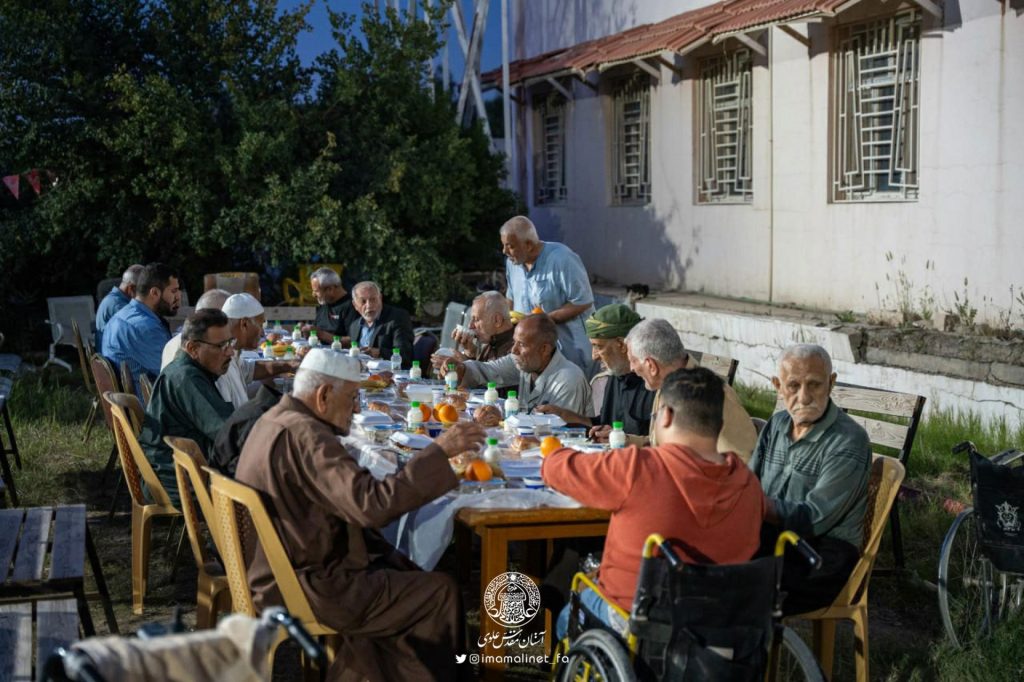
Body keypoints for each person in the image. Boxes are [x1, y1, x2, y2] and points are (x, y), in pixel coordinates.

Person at [234, 349, 486, 681]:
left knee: (396, 567)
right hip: (310, 583)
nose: (356, 409)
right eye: (352, 398)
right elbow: (372, 505)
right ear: (323, 395)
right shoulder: (309, 437)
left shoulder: (275, 418)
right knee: (439, 592)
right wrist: (437, 453)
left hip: (279, 570)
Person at [543, 367, 765, 638]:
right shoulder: (748, 485)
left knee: (566, 618)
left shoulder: (639, 468)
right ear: (718, 422)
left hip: (635, 616)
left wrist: (552, 451)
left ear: (667, 416)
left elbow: (558, 469)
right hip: (718, 623)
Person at [749, 344, 871, 615]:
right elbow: (748, 483)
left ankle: (746, 653)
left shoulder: (848, 440)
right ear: (778, 386)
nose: (803, 397)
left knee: (737, 586)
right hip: (777, 541)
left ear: (831, 383)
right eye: (793, 385)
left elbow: (815, 518)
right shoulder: (777, 424)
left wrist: (756, 506)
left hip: (821, 556)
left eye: (814, 384)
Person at [138, 310, 235, 506]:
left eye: (230, 343)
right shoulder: (187, 378)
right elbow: (228, 434)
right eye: (221, 346)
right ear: (192, 348)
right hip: (178, 479)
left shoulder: (188, 371)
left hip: (177, 470)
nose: (230, 352)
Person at [625, 319, 758, 461]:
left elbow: (743, 459)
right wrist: (624, 440)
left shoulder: (711, 394)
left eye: (633, 360)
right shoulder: (668, 385)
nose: (632, 368)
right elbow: (661, 446)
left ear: (651, 366)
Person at [534, 303, 654, 437]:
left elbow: (661, 445)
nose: (594, 356)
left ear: (621, 344)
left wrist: (625, 440)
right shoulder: (616, 376)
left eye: (598, 347)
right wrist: (563, 415)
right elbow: (603, 424)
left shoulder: (653, 383)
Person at [501, 216, 595, 370]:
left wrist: (541, 321)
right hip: (534, 355)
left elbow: (583, 301)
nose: (504, 251)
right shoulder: (513, 263)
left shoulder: (563, 259)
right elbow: (510, 299)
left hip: (572, 351)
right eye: (503, 246)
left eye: (509, 246)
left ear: (529, 245)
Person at [455, 313, 591, 416]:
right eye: (514, 342)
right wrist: (461, 368)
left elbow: (560, 433)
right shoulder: (525, 361)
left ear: (544, 349)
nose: (514, 350)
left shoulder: (568, 380)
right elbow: (488, 371)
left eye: (521, 344)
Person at [102, 262, 181, 387]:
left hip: (131, 399)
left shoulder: (123, 316)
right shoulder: (144, 328)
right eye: (174, 291)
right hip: (149, 403)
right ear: (154, 293)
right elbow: (176, 373)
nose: (178, 296)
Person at [429, 291, 515, 375]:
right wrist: (469, 353)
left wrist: (462, 365)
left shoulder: (515, 348)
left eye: (476, 319)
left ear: (497, 320)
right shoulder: (489, 343)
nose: (470, 326)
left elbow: (491, 382)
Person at [344, 281, 414, 367]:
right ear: (355, 305)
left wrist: (379, 352)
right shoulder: (354, 326)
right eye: (363, 301)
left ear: (380, 298)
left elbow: (404, 355)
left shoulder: (397, 318)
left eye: (373, 299)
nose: (369, 305)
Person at [95, 264, 143, 350]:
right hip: (113, 359)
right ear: (131, 288)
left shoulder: (114, 300)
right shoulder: (118, 305)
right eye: (142, 290)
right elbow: (138, 332)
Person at [311, 266, 354, 344]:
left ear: (330, 289)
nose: (313, 295)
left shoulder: (351, 306)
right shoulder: (324, 303)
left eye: (316, 291)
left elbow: (352, 341)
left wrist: (321, 334)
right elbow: (315, 330)